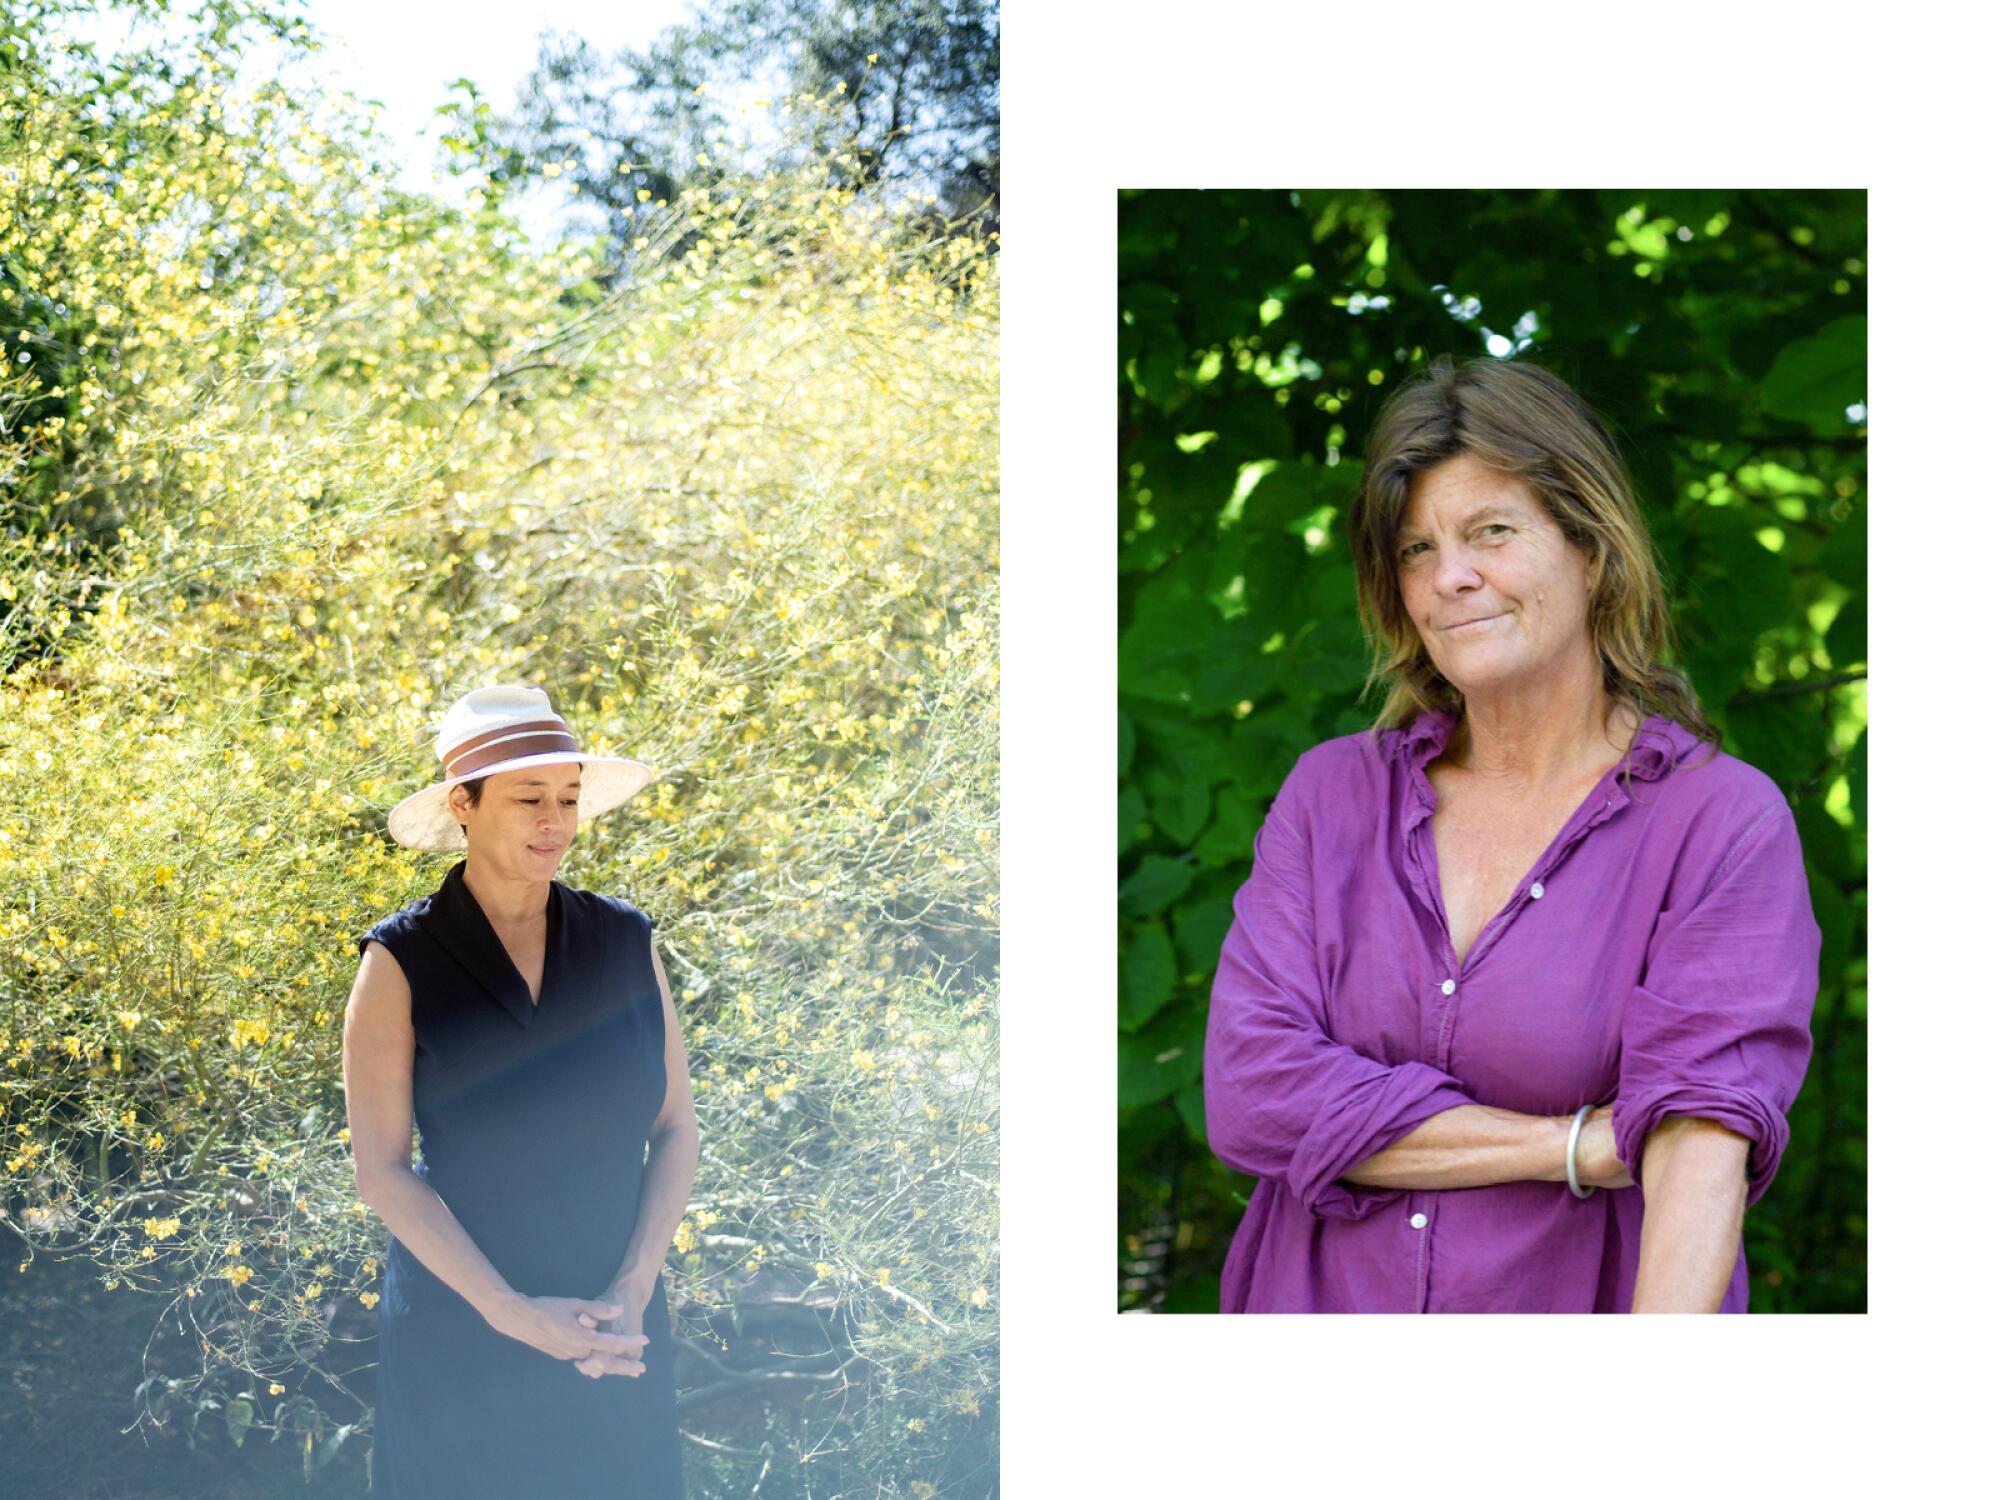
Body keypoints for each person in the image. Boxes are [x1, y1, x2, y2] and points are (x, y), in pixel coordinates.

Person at [1202, 356, 1820, 1313]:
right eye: (1416, 550)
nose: (1451, 577)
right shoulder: (1332, 796)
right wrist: (1582, 1144)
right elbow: (1251, 1092)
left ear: (1591, 549)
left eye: (1491, 531)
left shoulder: (1718, 821)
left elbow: (1701, 1141)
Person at [342, 683, 697, 1493]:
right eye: (529, 798)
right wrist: (510, 1311)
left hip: (619, 1326)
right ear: (462, 805)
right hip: (463, 1329)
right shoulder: (400, 961)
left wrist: (635, 1285)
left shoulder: (625, 939)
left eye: (569, 798)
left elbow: (675, 1125)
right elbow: (381, 1171)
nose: (555, 822)